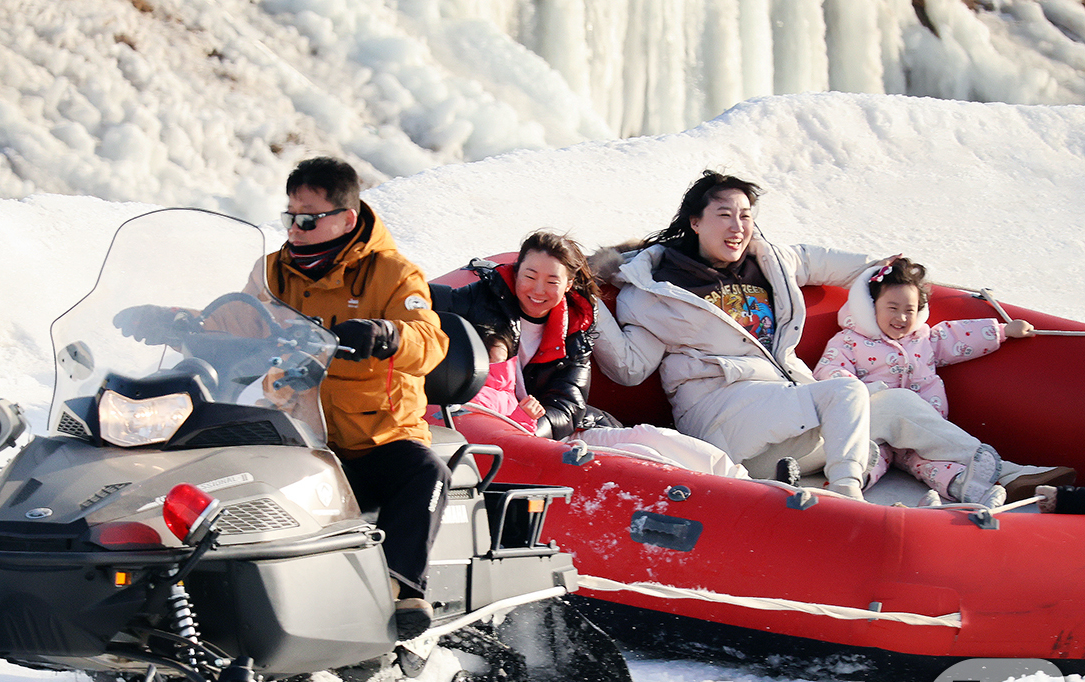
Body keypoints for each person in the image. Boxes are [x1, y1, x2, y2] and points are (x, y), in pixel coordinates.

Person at [117, 157, 449, 640]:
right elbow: (240, 323)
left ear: (346, 219)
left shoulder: (393, 274)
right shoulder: (272, 270)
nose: (295, 229)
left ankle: (402, 592)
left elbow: (430, 340)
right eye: (289, 217)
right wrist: (174, 320)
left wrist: (387, 333)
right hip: (294, 432)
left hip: (371, 440)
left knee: (424, 471)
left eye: (308, 219)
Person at [590, 170, 1016, 501]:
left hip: (788, 421)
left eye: (745, 216)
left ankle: (1008, 474)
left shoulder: (769, 262)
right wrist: (587, 296)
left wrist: (890, 276)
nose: (738, 226)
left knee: (898, 404)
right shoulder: (655, 289)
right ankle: (846, 495)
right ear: (696, 222)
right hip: (724, 420)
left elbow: (832, 265)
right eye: (724, 215)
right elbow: (629, 368)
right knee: (845, 393)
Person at [433, 231, 751, 480]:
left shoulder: (574, 323)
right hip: (513, 433)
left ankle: (749, 485)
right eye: (529, 276)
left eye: (552, 281)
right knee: (641, 457)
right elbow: (418, 298)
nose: (537, 289)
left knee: (650, 437)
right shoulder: (481, 299)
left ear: (569, 283)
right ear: (516, 272)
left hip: (553, 427)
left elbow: (569, 401)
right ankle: (721, 496)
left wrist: (535, 426)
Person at [814, 257, 1075, 504]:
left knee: (932, 463)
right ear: (871, 307)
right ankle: (849, 484)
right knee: (868, 456)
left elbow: (959, 337)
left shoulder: (924, 339)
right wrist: (868, 392)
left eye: (910, 310)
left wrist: (1003, 330)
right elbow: (830, 371)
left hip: (922, 434)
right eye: (892, 308)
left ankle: (970, 488)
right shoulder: (850, 341)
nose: (902, 318)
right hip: (876, 428)